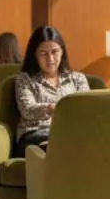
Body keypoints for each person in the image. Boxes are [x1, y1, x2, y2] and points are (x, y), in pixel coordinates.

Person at [14, 26, 89, 157]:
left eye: (54, 52)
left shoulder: (77, 79)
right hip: (35, 132)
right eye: (43, 53)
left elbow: (87, 107)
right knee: (63, 138)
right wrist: (50, 109)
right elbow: (27, 109)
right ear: (35, 55)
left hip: (70, 131)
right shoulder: (25, 79)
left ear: (62, 52)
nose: (50, 59)